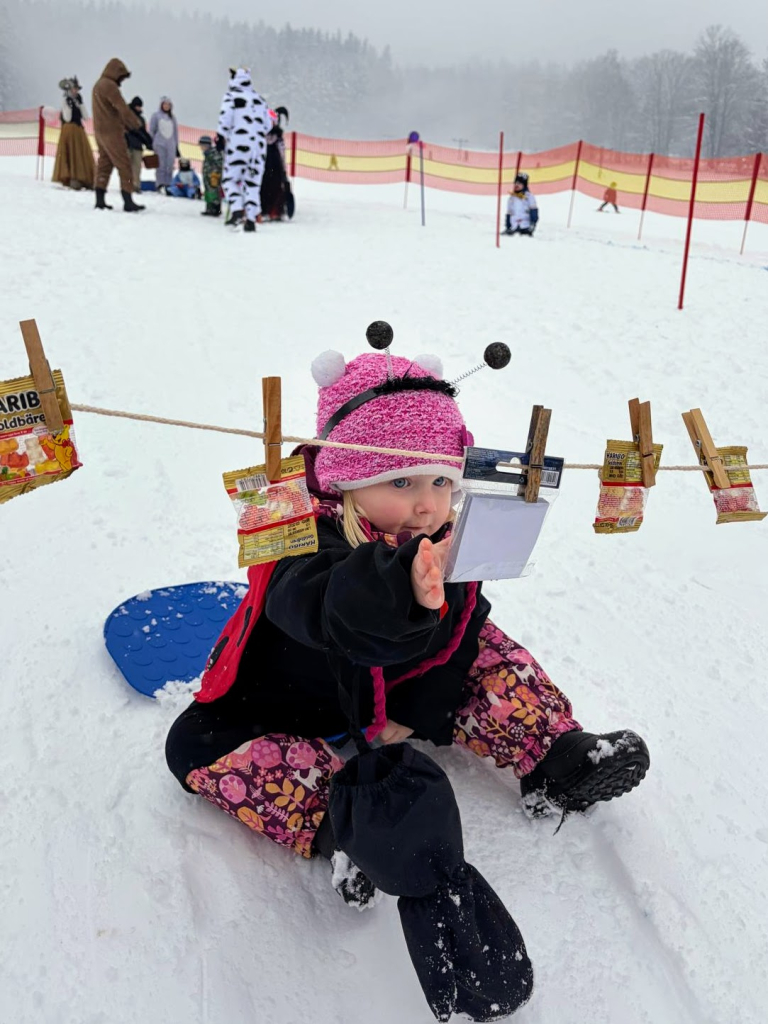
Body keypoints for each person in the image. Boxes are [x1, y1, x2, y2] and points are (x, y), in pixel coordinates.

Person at [165, 343, 650, 908]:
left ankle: (559, 756)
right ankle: (345, 828)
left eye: (441, 482)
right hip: (292, 696)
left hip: (402, 681)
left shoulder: (443, 536)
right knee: (194, 745)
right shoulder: (298, 530)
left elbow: (463, 631)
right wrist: (399, 586)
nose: (427, 505)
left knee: (486, 650)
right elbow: (318, 604)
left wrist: (418, 708)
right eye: (402, 483)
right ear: (347, 480)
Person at [218, 67, 275, 231]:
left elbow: (225, 118)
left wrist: (221, 136)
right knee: (252, 183)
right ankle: (250, 218)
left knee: (230, 179)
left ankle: (237, 210)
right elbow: (268, 125)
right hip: (258, 148)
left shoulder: (231, 97)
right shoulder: (260, 100)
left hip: (239, 143)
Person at [91, 58, 144, 212]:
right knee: (124, 165)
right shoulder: (110, 86)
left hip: (99, 132)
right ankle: (128, 200)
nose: (122, 80)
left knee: (104, 164)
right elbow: (122, 108)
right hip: (112, 132)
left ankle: (100, 199)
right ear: (116, 73)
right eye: (122, 76)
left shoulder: (98, 85)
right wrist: (136, 124)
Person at [52, 76, 96, 190]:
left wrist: (81, 104)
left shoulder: (78, 101)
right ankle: (73, 178)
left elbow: (86, 117)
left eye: (76, 89)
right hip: (69, 130)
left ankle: (84, 179)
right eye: (74, 89)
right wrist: (69, 105)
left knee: (81, 154)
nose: (76, 91)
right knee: (72, 153)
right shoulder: (66, 101)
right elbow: (67, 118)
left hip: (79, 130)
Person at [260, 106, 292, 221]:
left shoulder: (278, 137)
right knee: (264, 188)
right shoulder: (261, 135)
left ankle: (275, 211)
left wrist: (284, 168)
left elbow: (282, 153)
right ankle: (266, 211)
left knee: (275, 188)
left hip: (275, 166)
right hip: (264, 165)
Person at [149, 96, 179, 194]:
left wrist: (176, 146)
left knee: (169, 165)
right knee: (160, 164)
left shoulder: (172, 118)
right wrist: (151, 142)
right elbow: (152, 130)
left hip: (171, 145)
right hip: (159, 143)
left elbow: (175, 133)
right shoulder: (156, 116)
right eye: (165, 104)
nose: (166, 106)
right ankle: (160, 183)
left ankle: (168, 183)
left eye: (168, 105)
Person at [124, 96, 153, 195]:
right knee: (127, 167)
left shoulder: (141, 119)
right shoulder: (126, 116)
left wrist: (149, 143)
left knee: (136, 167)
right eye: (137, 106)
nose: (139, 108)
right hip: (127, 145)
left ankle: (135, 185)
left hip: (137, 146)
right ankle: (127, 185)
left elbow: (143, 132)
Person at [198, 134, 223, 216]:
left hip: (213, 176)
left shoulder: (214, 153)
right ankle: (209, 208)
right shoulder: (207, 154)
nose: (201, 147)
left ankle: (216, 209)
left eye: (202, 145)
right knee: (208, 192)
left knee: (214, 192)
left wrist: (216, 173)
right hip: (208, 176)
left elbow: (219, 164)